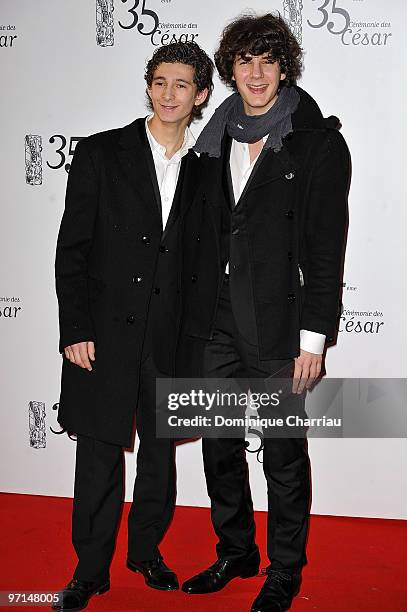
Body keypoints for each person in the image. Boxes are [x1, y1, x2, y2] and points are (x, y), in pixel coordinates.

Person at [179, 13, 350, 612]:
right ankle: (236, 551)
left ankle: (284, 568)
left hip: (279, 323)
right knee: (218, 443)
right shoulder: (212, 139)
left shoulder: (318, 142)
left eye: (267, 59)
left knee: (282, 451)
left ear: (284, 67)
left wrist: (314, 339)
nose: (255, 72)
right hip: (216, 320)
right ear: (229, 69)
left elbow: (326, 249)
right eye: (245, 60)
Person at [53, 41, 213, 611]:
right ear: (149, 85)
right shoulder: (101, 153)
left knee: (160, 454)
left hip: (171, 337)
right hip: (104, 332)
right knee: (97, 453)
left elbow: (204, 262)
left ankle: (145, 552)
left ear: (200, 95)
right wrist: (75, 329)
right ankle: (90, 570)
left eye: (183, 85)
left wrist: (201, 342)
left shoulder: (206, 167)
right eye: (161, 81)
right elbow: (72, 248)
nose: (170, 94)